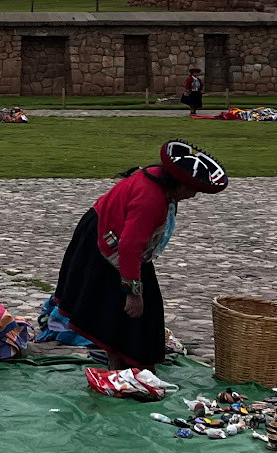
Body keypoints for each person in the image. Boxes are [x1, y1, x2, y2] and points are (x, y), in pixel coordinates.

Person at [54, 140, 229, 370]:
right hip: (105, 240)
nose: (193, 195)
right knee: (126, 308)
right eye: (191, 189)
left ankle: (125, 362)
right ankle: (122, 364)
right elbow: (129, 246)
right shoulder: (151, 200)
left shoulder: (158, 179)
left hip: (113, 232)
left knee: (144, 308)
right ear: (177, 184)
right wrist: (133, 292)